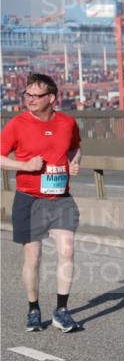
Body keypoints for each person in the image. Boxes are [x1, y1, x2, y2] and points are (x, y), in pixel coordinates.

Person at [1, 72, 83, 332]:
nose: (30, 100)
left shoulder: (68, 123)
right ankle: (33, 309)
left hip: (60, 199)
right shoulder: (17, 124)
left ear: (52, 98)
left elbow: (76, 146)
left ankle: (61, 311)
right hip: (29, 199)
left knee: (67, 250)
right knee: (33, 257)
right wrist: (25, 164)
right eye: (27, 95)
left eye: (36, 96)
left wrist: (74, 161)